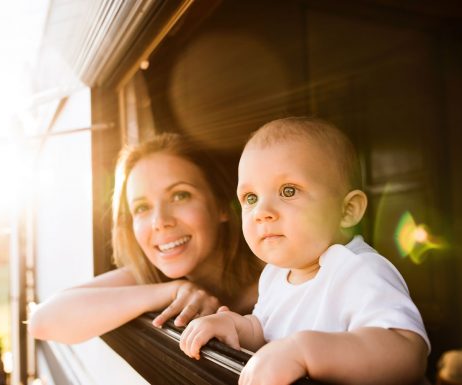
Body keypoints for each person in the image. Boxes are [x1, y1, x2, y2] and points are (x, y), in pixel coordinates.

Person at [179, 117, 430, 385]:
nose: (262, 212)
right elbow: (266, 330)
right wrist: (236, 326)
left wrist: (304, 351)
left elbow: (407, 352)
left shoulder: (358, 269)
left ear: (348, 210)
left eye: (288, 191)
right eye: (251, 198)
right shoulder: (275, 274)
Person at [28, 133, 262, 344]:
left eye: (180, 196)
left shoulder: (278, 278)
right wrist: (173, 290)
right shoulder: (150, 275)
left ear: (221, 205)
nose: (159, 221)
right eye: (142, 208)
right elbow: (43, 321)